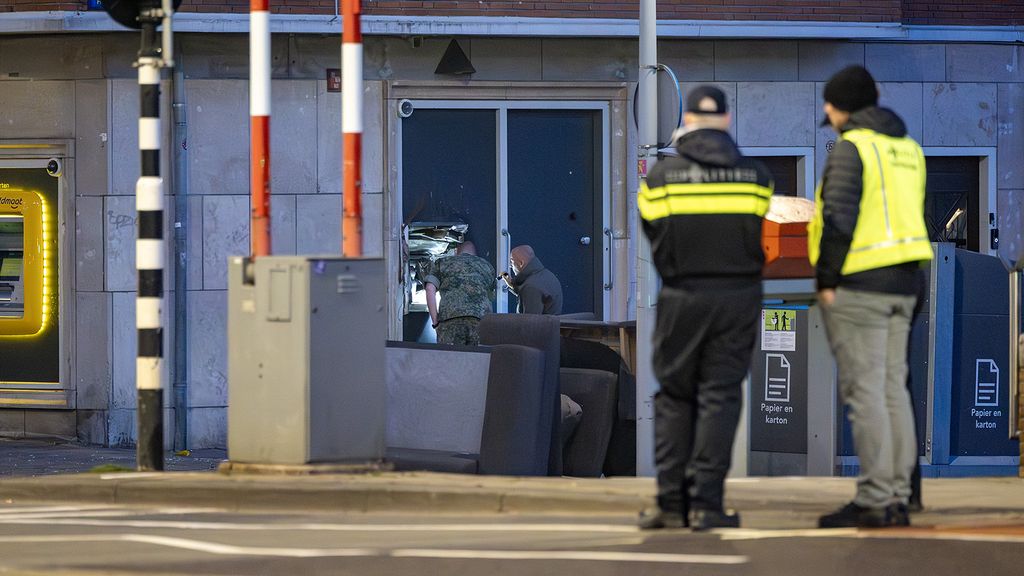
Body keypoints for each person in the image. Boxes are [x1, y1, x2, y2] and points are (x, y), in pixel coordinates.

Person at [637, 86, 774, 530]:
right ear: (728, 121)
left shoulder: (661, 177)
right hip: (738, 298)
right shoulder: (756, 176)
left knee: (676, 396)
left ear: (688, 119)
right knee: (721, 395)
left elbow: (653, 234)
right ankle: (708, 506)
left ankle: (670, 504)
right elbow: (759, 233)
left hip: (683, 295)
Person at [810, 65, 932, 528]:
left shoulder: (852, 147)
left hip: (862, 282)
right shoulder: (908, 149)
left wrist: (826, 279)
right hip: (907, 281)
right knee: (892, 389)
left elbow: (838, 217)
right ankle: (899, 495)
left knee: (866, 393)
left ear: (843, 107)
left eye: (832, 109)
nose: (831, 117)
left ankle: (876, 497)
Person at [423, 241, 496, 346]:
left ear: (456, 251)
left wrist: (435, 322)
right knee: (479, 360)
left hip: (449, 320)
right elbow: (491, 296)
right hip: (481, 322)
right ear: (475, 254)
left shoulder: (442, 262)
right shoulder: (487, 266)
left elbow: (430, 288)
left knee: (450, 360)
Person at [500, 245, 563, 315]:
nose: (510, 266)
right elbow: (534, 297)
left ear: (521, 263)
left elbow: (529, 323)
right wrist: (512, 285)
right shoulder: (547, 275)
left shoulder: (531, 287)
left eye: (512, 261)